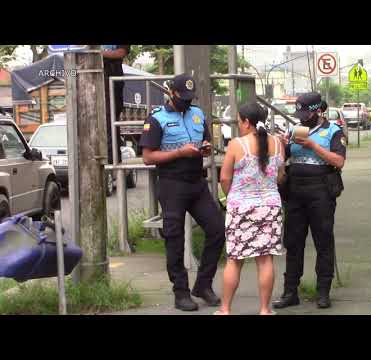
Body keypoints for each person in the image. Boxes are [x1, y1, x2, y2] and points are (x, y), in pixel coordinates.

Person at [139, 74, 226, 311]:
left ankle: (203, 285)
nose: (187, 102)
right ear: (171, 93)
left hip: (196, 182)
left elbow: (205, 143)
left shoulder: (198, 114)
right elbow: (148, 157)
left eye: (190, 98)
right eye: (182, 97)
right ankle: (181, 292)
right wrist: (179, 153)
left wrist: (204, 149)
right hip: (171, 184)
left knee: (218, 230)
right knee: (174, 239)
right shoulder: (157, 119)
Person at [273, 92, 347, 310]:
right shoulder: (294, 129)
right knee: (293, 242)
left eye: (306, 113)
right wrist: (281, 144)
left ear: (318, 111)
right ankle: (290, 291)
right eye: (300, 114)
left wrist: (313, 146)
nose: (302, 118)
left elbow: (339, 161)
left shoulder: (333, 131)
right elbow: (283, 157)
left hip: (321, 191)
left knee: (323, 241)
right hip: (295, 191)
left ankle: (323, 291)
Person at [215, 102, 286, 315]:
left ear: (247, 122)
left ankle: (225, 309)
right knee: (265, 260)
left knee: (235, 260)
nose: (238, 125)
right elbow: (280, 176)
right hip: (270, 207)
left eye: (239, 121)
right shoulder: (278, 143)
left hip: (241, 208)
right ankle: (265, 309)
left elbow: (225, 177)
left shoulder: (237, 145)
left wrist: (234, 198)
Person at [102, 45, 130, 164]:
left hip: (111, 80)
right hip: (87, 78)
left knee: (110, 121)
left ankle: (112, 160)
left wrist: (97, 53)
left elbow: (121, 52)